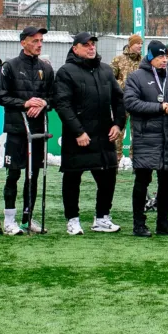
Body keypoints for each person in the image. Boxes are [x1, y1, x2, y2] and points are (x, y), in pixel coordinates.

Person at [54, 33, 125, 236]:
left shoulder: (106, 70)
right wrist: (78, 132)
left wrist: (118, 124)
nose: (91, 47)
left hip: (104, 137)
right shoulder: (66, 72)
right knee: (72, 179)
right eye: (85, 45)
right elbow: (63, 105)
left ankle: (102, 218)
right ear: (75, 48)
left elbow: (119, 100)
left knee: (108, 177)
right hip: (77, 138)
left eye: (92, 44)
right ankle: (73, 220)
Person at [124, 40, 168, 237]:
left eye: (165, 56)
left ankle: (163, 222)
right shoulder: (136, 77)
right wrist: (159, 108)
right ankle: (139, 224)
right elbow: (131, 103)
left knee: (166, 182)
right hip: (146, 137)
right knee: (142, 180)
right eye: (160, 57)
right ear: (151, 58)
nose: (164, 60)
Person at [0, 27, 54, 235]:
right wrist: (25, 103)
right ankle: (9, 220)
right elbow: (1, 96)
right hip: (17, 130)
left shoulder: (46, 68)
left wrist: (44, 103)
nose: (39, 44)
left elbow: (54, 98)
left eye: (41, 40)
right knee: (14, 174)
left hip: (38, 131)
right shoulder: (10, 66)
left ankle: (28, 218)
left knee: (34, 175)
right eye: (35, 40)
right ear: (23, 43)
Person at [111, 34, 143, 159]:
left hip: (138, 102)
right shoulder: (118, 60)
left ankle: (137, 163)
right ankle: (115, 163)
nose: (140, 46)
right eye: (137, 43)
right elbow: (109, 80)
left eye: (141, 43)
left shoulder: (143, 61)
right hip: (121, 102)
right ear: (130, 45)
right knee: (118, 132)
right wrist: (121, 85)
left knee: (138, 133)